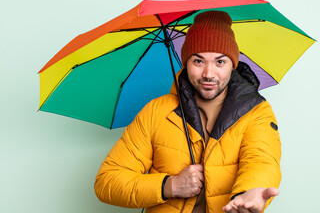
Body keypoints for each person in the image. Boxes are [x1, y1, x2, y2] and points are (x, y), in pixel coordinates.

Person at [94, 11, 282, 213]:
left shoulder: (256, 111)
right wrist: (170, 186)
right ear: (185, 63)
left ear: (232, 65)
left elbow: (261, 160)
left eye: (220, 62)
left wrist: (250, 192)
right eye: (198, 61)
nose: (209, 74)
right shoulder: (156, 111)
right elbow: (107, 181)